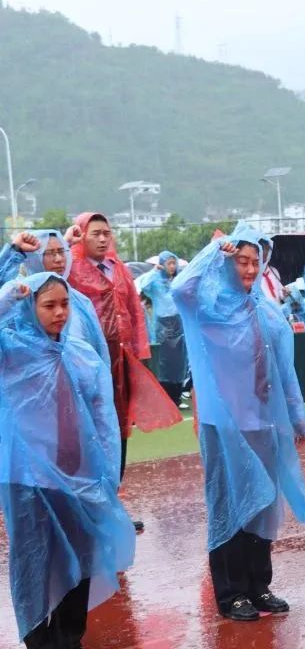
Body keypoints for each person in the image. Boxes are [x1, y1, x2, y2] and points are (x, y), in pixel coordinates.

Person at [171, 222, 305, 622]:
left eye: (255, 261)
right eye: (241, 261)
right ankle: (231, 592)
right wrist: (214, 251)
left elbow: (283, 366)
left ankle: (259, 584)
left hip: (265, 422)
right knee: (230, 502)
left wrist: (297, 413)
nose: (250, 270)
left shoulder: (265, 307)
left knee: (263, 504)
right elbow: (179, 288)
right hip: (225, 425)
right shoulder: (205, 305)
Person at [0, 273, 135, 649]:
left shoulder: (80, 352)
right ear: (30, 307)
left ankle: (70, 637)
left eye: (64, 304)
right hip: (30, 478)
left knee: (82, 555)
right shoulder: (11, 351)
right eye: (49, 305)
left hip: (79, 471)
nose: (60, 313)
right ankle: (40, 640)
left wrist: (107, 470)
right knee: (35, 560)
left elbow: (102, 415)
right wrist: (11, 292)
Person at [65, 213, 181, 533]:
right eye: (95, 233)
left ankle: (112, 505)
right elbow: (47, 272)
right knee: (88, 433)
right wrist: (65, 242)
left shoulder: (119, 269)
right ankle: (88, 511)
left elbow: (133, 310)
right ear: (82, 236)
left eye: (107, 233)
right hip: (85, 363)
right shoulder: (70, 267)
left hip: (121, 362)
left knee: (118, 433)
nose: (103, 239)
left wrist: (139, 353)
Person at [0, 229, 109, 363]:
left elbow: (98, 352)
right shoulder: (17, 299)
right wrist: (15, 250)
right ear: (34, 258)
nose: (59, 259)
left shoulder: (80, 301)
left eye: (61, 251)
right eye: (50, 253)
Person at [136, 251, 188, 406]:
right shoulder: (155, 280)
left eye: (174, 263)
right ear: (162, 264)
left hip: (178, 323)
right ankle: (165, 397)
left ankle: (177, 396)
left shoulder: (178, 279)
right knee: (163, 361)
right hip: (162, 325)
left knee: (179, 361)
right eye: (169, 263)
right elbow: (142, 286)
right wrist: (154, 272)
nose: (172, 266)